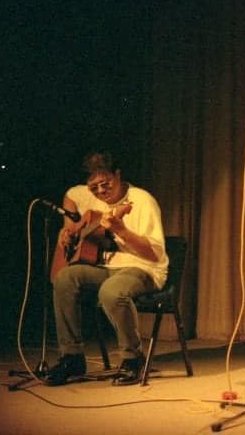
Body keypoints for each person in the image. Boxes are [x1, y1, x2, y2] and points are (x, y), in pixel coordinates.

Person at [44, 150, 168, 386]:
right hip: (106, 266)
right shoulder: (87, 194)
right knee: (65, 277)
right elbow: (71, 196)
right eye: (94, 187)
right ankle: (72, 357)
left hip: (143, 267)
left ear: (117, 174)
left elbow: (154, 254)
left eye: (106, 184)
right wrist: (68, 228)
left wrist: (121, 230)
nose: (100, 191)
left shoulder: (142, 200)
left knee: (111, 291)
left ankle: (133, 359)